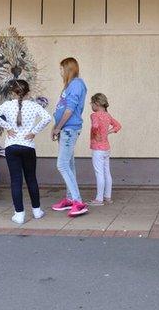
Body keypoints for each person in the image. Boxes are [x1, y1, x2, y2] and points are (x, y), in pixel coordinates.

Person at [0, 80, 52, 224]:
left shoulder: (7, 105)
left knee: (16, 181)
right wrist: (34, 131)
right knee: (31, 179)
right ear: (28, 93)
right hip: (28, 146)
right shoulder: (34, 106)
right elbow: (47, 118)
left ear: (12, 93)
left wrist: (7, 127)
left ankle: (19, 214)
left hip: (12, 147)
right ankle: (37, 211)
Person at [50, 57, 89, 217]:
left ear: (68, 69)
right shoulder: (69, 85)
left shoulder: (77, 84)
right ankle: (70, 198)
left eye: (61, 69)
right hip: (64, 129)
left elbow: (70, 109)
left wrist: (59, 127)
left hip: (69, 130)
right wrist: (56, 127)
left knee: (62, 165)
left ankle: (78, 202)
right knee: (69, 164)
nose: (59, 72)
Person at [87, 93, 121, 206]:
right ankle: (108, 196)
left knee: (99, 173)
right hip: (106, 148)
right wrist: (107, 132)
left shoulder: (94, 115)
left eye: (91, 103)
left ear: (96, 104)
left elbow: (95, 126)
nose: (91, 105)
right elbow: (118, 126)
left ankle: (99, 199)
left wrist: (95, 134)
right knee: (107, 172)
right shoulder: (107, 115)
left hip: (97, 148)